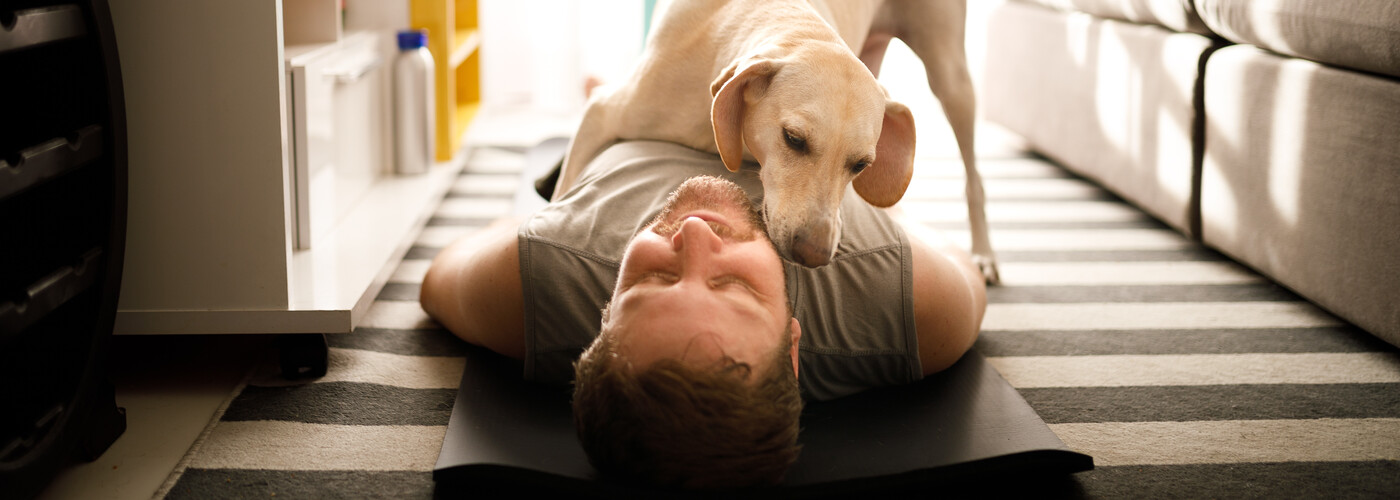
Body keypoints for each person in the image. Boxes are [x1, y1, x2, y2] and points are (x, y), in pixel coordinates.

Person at [420, 140, 987, 488]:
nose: (693, 233)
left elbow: (439, 276)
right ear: (794, 350)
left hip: (637, 121)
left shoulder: (543, 274)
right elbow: (958, 259)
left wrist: (539, 221)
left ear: (602, 316)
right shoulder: (905, 298)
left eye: (654, 278)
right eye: (734, 285)